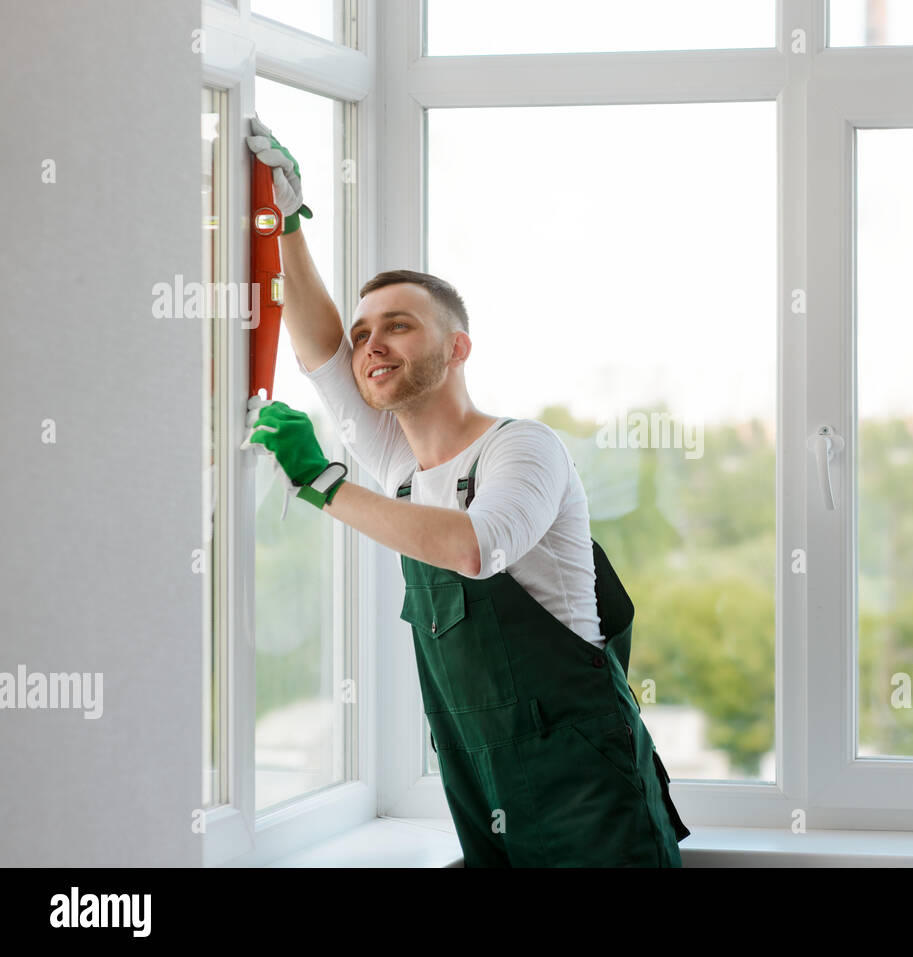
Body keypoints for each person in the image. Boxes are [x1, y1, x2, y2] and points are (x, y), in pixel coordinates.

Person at [241, 116, 690, 867]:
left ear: (456, 348)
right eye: (365, 333)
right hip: (483, 785)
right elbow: (320, 349)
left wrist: (323, 483)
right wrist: (286, 223)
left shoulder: (524, 448)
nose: (371, 343)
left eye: (398, 326)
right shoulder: (401, 466)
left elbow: (473, 547)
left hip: (588, 787)